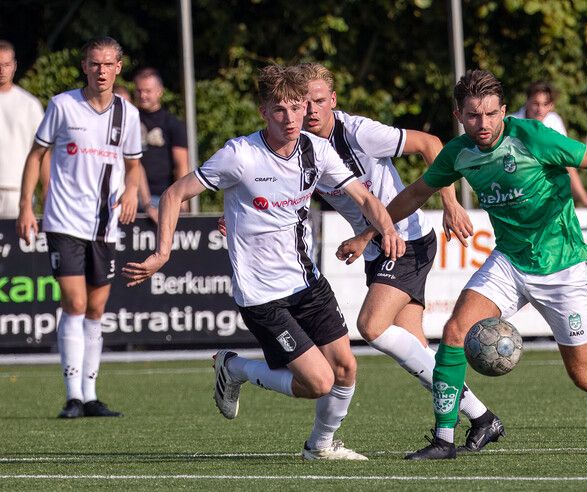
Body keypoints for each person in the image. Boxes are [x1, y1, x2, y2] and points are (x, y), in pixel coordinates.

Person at [339, 69, 587, 460]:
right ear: (459, 114)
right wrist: (370, 233)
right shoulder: (458, 152)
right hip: (509, 262)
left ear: (503, 110)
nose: (482, 124)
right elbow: (417, 191)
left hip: (562, 269)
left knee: (584, 375)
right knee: (454, 331)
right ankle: (444, 440)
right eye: (472, 116)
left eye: (490, 114)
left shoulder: (532, 136)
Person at [122, 65, 404, 460]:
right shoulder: (240, 156)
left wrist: (387, 229)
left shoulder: (317, 150)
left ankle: (319, 447)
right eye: (278, 111)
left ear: (306, 107)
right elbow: (172, 194)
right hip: (262, 295)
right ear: (263, 113)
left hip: (308, 282)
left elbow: (365, 198)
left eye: (295, 108)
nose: (290, 119)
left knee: (346, 370)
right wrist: (163, 252)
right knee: (319, 383)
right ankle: (236, 368)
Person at [298, 62, 505, 453]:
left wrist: (450, 202)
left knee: (372, 326)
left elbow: (430, 144)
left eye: (319, 101)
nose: (311, 110)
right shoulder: (300, 146)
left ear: (333, 101)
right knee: (416, 351)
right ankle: (482, 417)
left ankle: (480, 418)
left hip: (405, 240)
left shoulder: (358, 132)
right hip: (380, 246)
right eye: (304, 102)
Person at [16, 36, 142, 418]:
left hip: (104, 225)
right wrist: (27, 206)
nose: (101, 71)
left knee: (96, 308)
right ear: (84, 67)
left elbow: (133, 165)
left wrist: (132, 192)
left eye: (108, 64)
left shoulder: (129, 114)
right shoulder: (62, 105)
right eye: (94, 64)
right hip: (63, 219)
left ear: (118, 67)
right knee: (74, 302)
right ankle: (73, 394)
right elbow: (36, 154)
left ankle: (90, 395)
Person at [511, 81, 587, 212]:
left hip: (548, 199)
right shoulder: (511, 123)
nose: (540, 109)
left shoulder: (554, 121)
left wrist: (586, 201)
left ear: (551, 105)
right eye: (536, 103)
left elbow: (567, 163)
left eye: (545, 104)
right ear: (527, 101)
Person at [134, 68, 189, 220]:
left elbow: (181, 164)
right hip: (132, 195)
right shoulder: (129, 119)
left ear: (160, 91)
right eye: (139, 91)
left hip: (164, 196)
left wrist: (182, 200)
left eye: (148, 91)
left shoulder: (172, 124)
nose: (143, 95)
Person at [0, 40, 44, 219]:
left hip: (18, 191)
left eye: (6, 64)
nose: (2, 70)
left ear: (14, 66)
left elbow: (42, 150)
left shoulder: (29, 105)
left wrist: (47, 190)